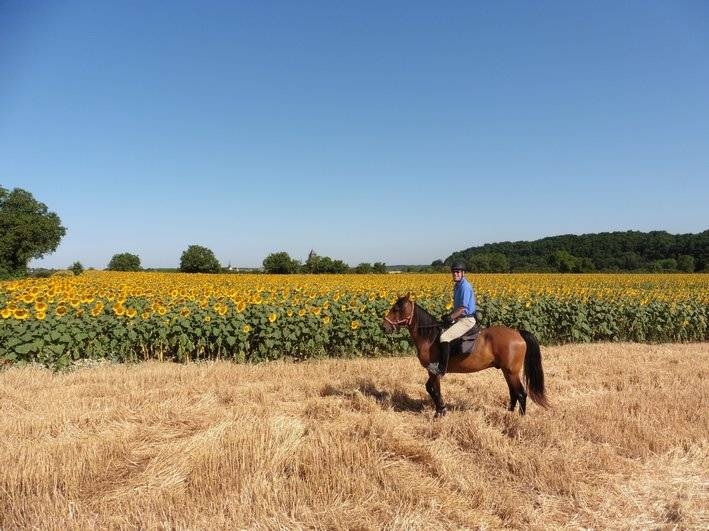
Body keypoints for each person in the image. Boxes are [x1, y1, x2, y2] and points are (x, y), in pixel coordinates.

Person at [427, 260, 477, 376]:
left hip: (466, 319)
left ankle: (441, 369)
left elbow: (463, 308)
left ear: (463, 273)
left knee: (444, 337)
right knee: (439, 331)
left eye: (458, 272)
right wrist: (449, 315)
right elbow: (457, 307)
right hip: (460, 318)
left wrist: (451, 317)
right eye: (454, 272)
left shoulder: (464, 286)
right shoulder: (457, 285)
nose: (455, 274)